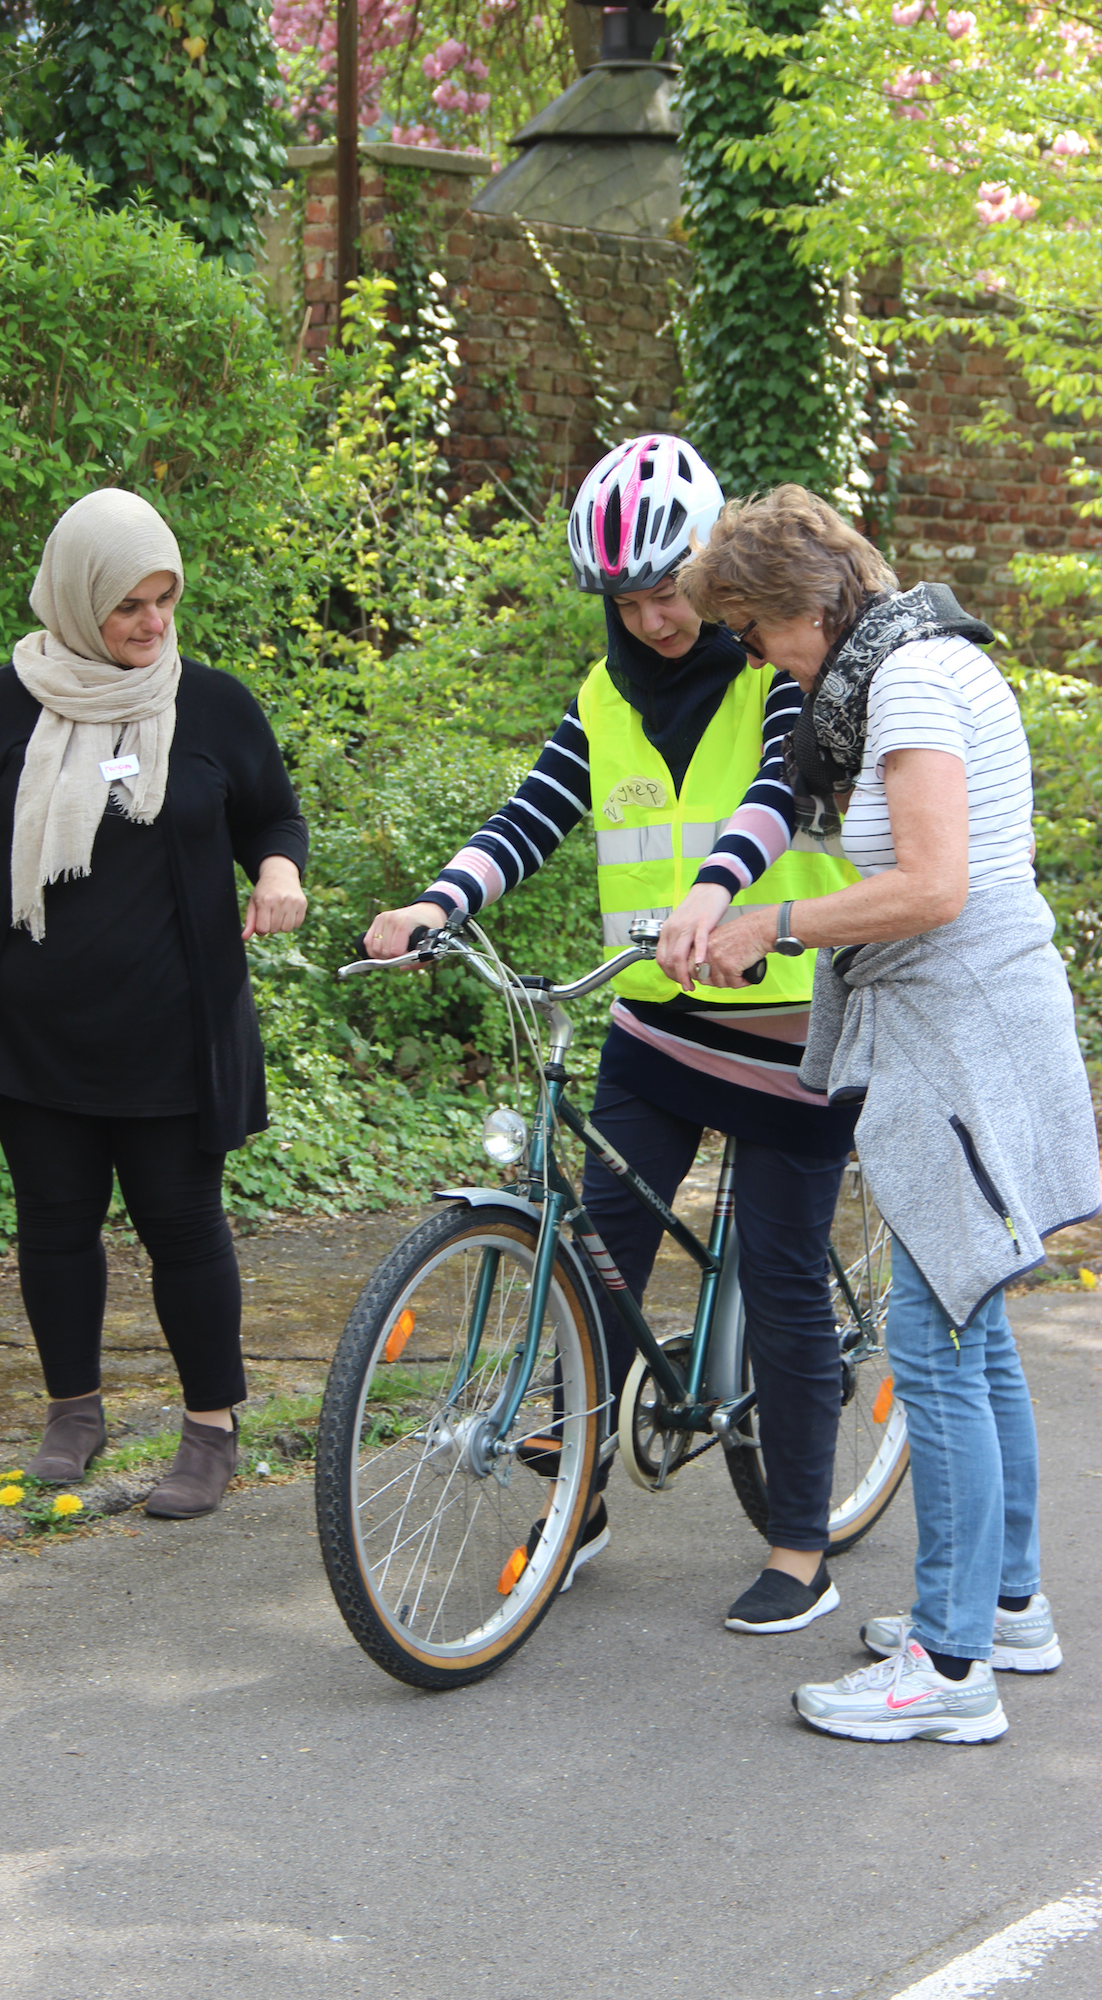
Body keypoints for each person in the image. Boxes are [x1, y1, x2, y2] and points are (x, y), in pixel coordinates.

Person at [365, 435, 863, 1632]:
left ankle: (800, 1545)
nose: (650, 618)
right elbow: (535, 807)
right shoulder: (606, 693)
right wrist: (441, 897)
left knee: (784, 1281)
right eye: (624, 599)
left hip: (790, 1018)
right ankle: (575, 1501)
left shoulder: (780, 667)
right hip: (654, 1018)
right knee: (592, 1262)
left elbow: (775, 795)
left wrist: (717, 894)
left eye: (665, 589)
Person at [679, 483, 1100, 1740]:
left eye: (752, 630)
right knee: (968, 1327)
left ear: (805, 602)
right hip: (969, 1020)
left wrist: (777, 922)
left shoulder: (911, 681)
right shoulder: (910, 667)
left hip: (956, 1031)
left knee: (930, 1340)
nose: (753, 655)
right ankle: (1006, 1604)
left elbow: (928, 885)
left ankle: (948, 1663)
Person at [0, 489, 308, 1520]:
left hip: (173, 1034)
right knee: (53, 1225)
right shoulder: (2, 705)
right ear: (79, 599)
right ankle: (72, 1412)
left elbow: (273, 814)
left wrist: (277, 874)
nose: (152, 623)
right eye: (129, 603)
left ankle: (211, 1427)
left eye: (165, 599)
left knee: (184, 1228)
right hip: (34, 1034)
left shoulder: (211, 706)